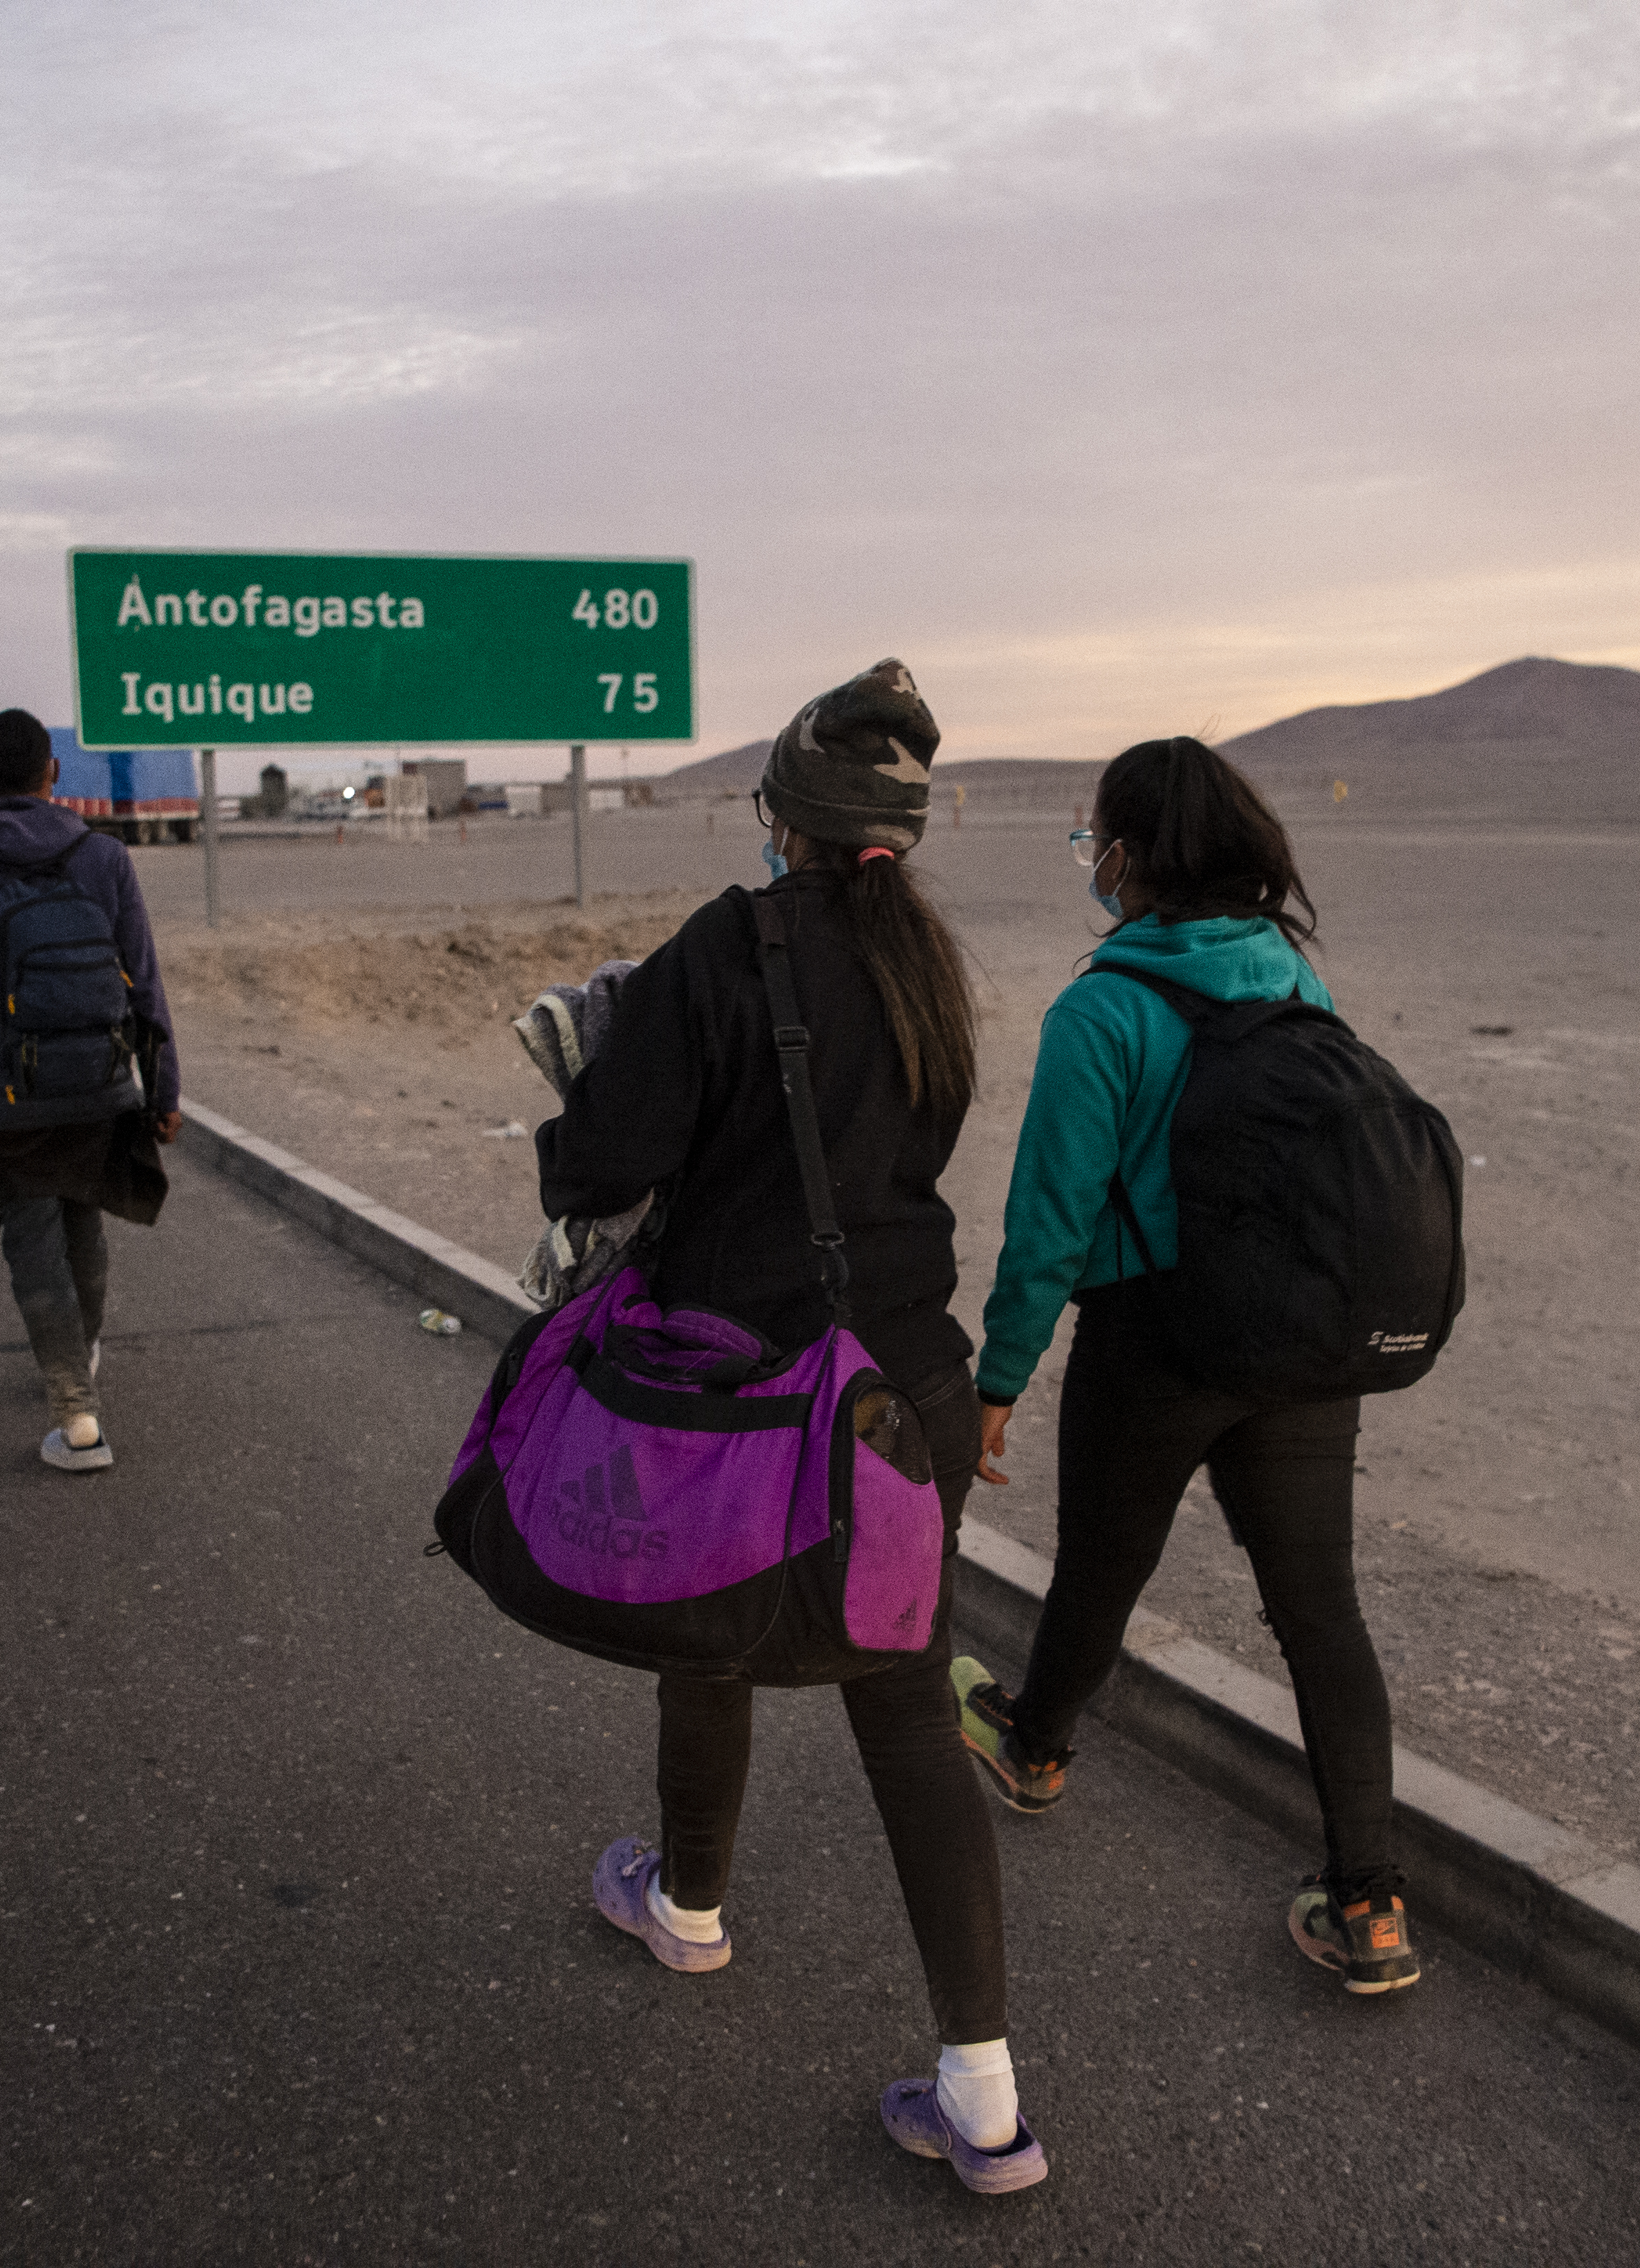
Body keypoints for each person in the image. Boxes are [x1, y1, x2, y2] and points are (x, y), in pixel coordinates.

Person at [537, 659, 1044, 2193]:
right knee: (902, 1712)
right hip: (910, 1397)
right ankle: (981, 2097)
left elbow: (597, 1166)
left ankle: (688, 1908)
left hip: (751, 1402)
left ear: (784, 819)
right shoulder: (931, 967)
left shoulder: (723, 947)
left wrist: (593, 1070)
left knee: (711, 1633)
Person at [954, 735, 1421, 1995]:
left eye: (1092, 835)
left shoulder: (1101, 1008)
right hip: (1296, 1347)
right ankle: (1369, 1902)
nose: (1086, 858)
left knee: (1101, 1566)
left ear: (1132, 855)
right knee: (1319, 1608)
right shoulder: (1290, 980)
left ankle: (1034, 1749)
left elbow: (1051, 1220)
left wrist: (996, 1380)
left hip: (1156, 1342)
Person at [0, 707, 180, 1473]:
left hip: (2, 1091)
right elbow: (144, 986)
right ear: (53, 772)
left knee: (30, 1234)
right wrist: (164, 1090)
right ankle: (81, 1350)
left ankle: (76, 1413)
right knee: (83, 1217)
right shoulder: (104, 858)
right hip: (100, 1081)